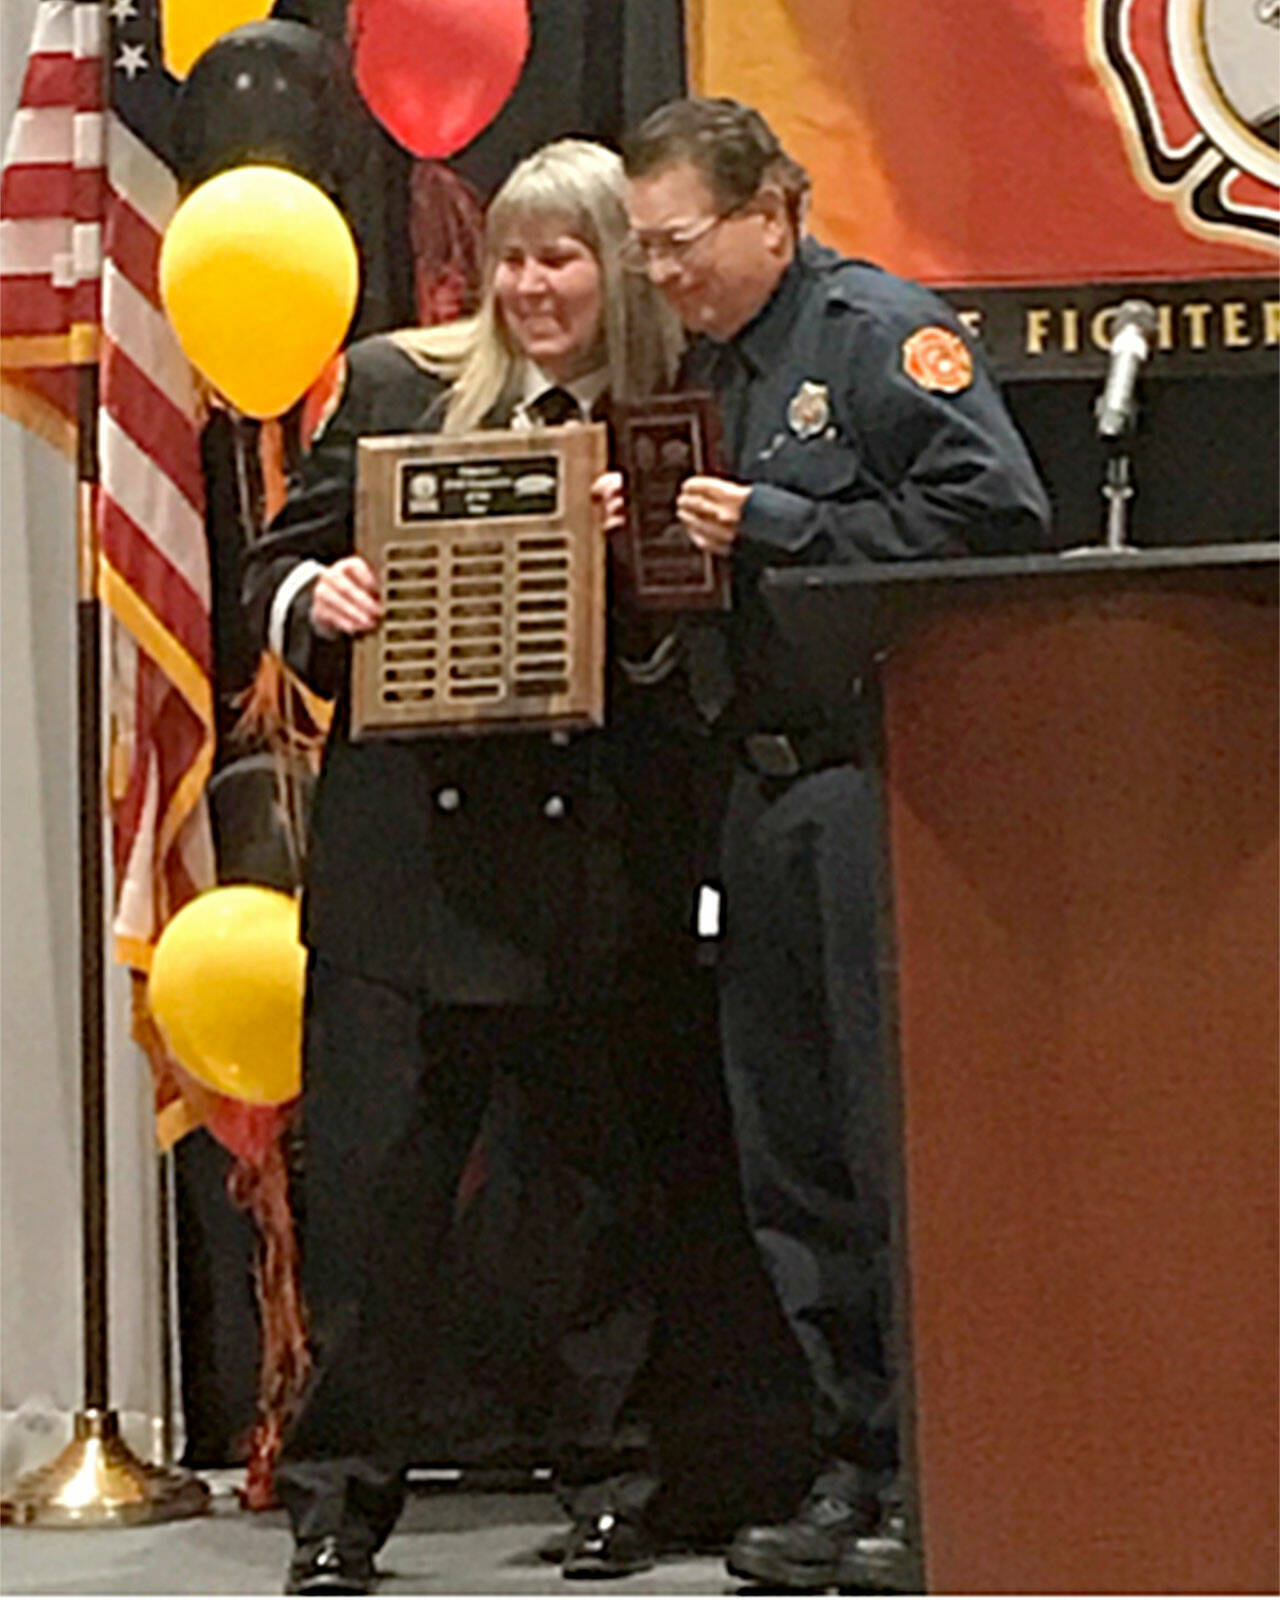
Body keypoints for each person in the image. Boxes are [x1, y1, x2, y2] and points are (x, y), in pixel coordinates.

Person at [243, 138, 694, 1597]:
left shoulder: (666, 418)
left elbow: (683, 656)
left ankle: (615, 1484)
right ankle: (336, 1506)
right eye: (510, 255)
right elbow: (274, 569)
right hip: (401, 882)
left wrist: (636, 571)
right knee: (373, 1212)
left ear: (616, 267)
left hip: (579, 881)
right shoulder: (393, 388)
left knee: (587, 1214)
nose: (530, 283)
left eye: (561, 255)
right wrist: (328, 592)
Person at [615, 97, 1052, 1594]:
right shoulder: (700, 371)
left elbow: (999, 526)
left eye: (679, 245)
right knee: (789, 1159)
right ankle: (847, 1462)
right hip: (755, 794)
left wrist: (790, 522)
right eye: (647, 251)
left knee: (888, 1153)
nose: (661, 276)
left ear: (770, 216)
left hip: (876, 787)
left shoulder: (878, 337)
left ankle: (941, 1475)